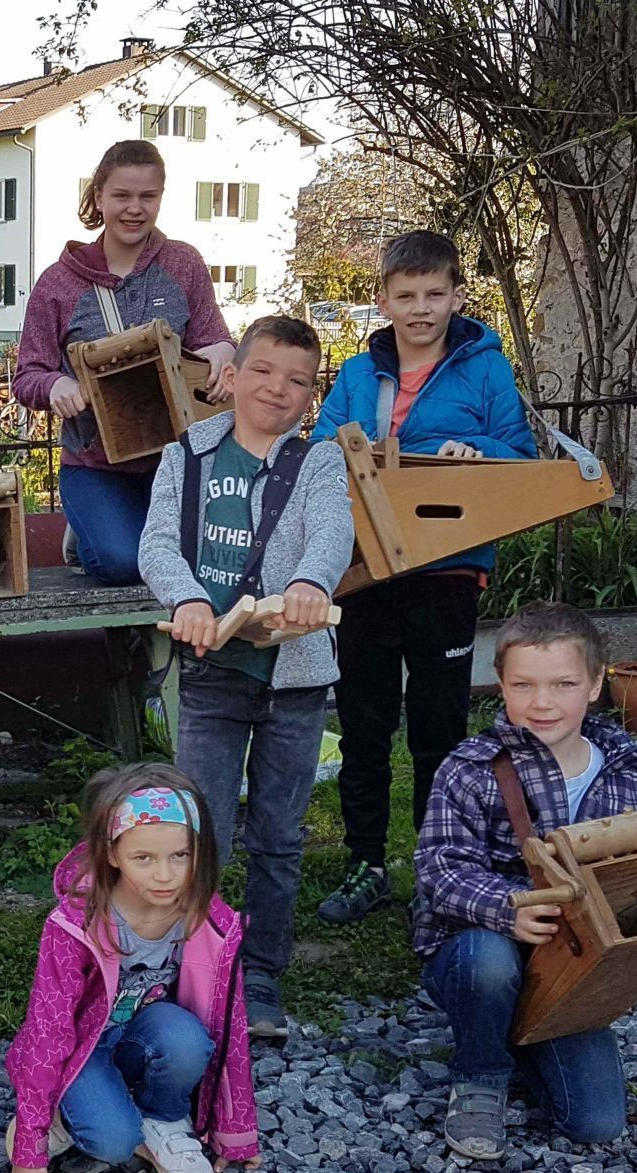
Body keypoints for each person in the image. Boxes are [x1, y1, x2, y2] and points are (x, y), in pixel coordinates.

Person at [311, 230, 538, 927]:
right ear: (382, 300)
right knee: (365, 722)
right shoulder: (356, 373)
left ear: (458, 296)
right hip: (367, 570)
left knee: (439, 726)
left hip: (447, 567)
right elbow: (322, 449)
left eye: (433, 294)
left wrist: (474, 450)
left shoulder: (485, 370)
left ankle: (443, 871)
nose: (419, 308)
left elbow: (521, 454)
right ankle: (367, 862)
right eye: (405, 295)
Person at [137, 315, 354, 1040]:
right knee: (199, 832)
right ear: (231, 377)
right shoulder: (187, 458)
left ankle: (261, 973)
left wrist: (308, 584)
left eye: (298, 380)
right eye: (263, 372)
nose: (278, 389)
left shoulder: (318, 462)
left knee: (279, 834)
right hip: (212, 674)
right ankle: (188, 958)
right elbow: (158, 545)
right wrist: (189, 597)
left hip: (295, 680)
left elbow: (331, 531)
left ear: (310, 395)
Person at [413, 603, 637, 1160]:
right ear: (500, 683)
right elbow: (438, 868)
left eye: (563, 684)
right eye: (523, 684)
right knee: (488, 963)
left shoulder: (629, 770)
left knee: (597, 1122)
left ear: (596, 683)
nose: (543, 702)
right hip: (479, 946)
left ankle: (517, 1032)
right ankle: (480, 1074)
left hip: (573, 967)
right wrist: (510, 909)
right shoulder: (470, 767)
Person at [4, 764, 258, 1173]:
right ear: (112, 854)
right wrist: (29, 1144)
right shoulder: (73, 925)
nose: (165, 875)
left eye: (180, 856)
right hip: (80, 1048)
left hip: (144, 1034)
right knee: (113, 1142)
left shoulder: (210, 921)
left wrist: (235, 1132)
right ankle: (60, 1114)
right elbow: (48, 1032)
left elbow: (229, 1026)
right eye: (145, 858)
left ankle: (164, 1118)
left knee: (187, 1039)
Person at [12, 139, 238, 586]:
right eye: (121, 196)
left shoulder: (184, 264)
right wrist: (56, 386)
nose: (134, 208)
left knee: (203, 564)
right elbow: (28, 375)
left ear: (160, 198)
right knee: (124, 563)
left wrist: (222, 355)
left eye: (147, 197)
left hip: (177, 460)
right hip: (95, 464)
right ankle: (88, 530)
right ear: (98, 197)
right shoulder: (57, 283)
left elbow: (214, 337)